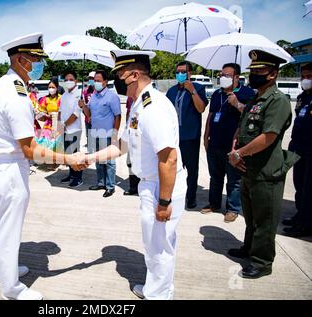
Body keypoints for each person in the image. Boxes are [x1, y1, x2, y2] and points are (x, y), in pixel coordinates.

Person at [76, 49, 187, 299]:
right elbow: (121, 145)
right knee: (152, 244)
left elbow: (168, 158)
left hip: (162, 185)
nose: (116, 80)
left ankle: (160, 295)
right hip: (150, 184)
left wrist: (164, 201)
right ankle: (154, 288)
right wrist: (89, 158)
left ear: (134, 75)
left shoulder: (154, 106)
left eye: (119, 74)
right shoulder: (138, 104)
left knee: (160, 246)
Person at [0, 32, 82, 300]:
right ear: (20, 59)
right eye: (35, 58)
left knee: (2, 223)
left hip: (2, 165)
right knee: (10, 226)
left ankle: (1, 270)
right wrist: (69, 158)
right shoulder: (15, 93)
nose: (39, 64)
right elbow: (30, 149)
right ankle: (11, 288)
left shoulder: (6, 84)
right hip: (12, 168)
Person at [227, 50, 299, 279]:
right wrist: (236, 146)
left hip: (266, 171)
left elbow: (268, 136)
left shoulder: (277, 101)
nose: (254, 74)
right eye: (253, 71)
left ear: (273, 74)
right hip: (249, 169)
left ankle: (262, 262)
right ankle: (249, 248)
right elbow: (243, 127)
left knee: (265, 220)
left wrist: (239, 154)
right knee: (251, 216)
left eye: (260, 71)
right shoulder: (256, 99)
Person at [202, 63, 255, 222]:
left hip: (233, 146)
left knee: (234, 180)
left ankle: (232, 208)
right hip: (215, 143)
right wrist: (206, 137)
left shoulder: (247, 93)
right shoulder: (217, 94)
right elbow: (211, 116)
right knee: (215, 177)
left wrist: (237, 104)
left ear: (237, 77)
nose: (222, 78)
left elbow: (252, 116)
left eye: (226, 75)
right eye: (221, 75)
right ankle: (214, 203)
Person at [166, 61, 208, 208]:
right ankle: (172, 195)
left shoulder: (198, 88)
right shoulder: (171, 91)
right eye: (178, 71)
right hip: (174, 137)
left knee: (191, 170)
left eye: (183, 71)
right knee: (173, 168)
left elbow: (201, 108)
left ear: (189, 73)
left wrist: (192, 91)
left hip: (190, 137)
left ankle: (191, 197)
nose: (180, 74)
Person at [80, 70, 121, 198]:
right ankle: (101, 182)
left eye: (98, 80)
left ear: (105, 82)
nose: (95, 82)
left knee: (109, 161)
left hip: (107, 133)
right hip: (95, 132)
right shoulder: (93, 96)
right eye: (94, 80)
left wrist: (115, 134)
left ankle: (110, 186)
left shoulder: (112, 96)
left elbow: (117, 116)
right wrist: (83, 107)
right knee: (98, 159)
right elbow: (89, 115)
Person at [284, 63, 312, 237]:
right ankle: (300, 214)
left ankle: (306, 224)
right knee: (299, 183)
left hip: (311, 149)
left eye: (309, 76)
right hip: (298, 146)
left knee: (309, 188)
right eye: (303, 77)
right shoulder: (302, 97)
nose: (305, 80)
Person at [58, 70, 84, 187]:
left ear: (76, 81)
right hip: (65, 129)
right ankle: (71, 174)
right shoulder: (64, 95)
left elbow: (75, 114)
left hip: (74, 129)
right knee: (68, 154)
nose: (68, 81)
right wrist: (59, 124)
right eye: (66, 80)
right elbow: (60, 111)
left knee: (75, 154)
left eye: (71, 79)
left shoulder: (79, 95)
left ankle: (78, 177)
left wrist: (64, 125)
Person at [124, 96, 140, 196]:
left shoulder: (144, 98)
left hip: (139, 136)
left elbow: (136, 118)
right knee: (130, 162)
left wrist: (132, 129)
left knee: (139, 162)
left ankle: (140, 186)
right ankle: (133, 186)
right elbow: (128, 113)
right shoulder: (130, 98)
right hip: (131, 133)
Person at [83, 71, 95, 150]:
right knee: (89, 135)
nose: (91, 80)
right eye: (90, 78)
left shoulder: (100, 91)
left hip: (98, 119)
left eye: (92, 78)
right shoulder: (85, 91)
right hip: (88, 119)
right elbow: (84, 105)